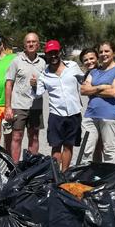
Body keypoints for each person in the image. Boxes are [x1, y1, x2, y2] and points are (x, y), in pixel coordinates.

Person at [34, 40, 84, 171]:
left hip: (74, 113)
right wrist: (33, 85)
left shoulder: (72, 66)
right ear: (46, 55)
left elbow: (84, 81)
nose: (53, 56)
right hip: (56, 114)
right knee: (56, 146)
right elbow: (38, 94)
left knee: (69, 146)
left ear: (60, 52)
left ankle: (65, 174)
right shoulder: (44, 74)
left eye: (55, 52)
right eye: (50, 54)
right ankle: (55, 176)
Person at [79, 47, 115, 163]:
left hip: (108, 114)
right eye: (85, 60)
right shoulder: (92, 72)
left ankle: (110, 177)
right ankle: (92, 174)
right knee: (89, 149)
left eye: (92, 58)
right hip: (92, 114)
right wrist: (101, 87)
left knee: (107, 149)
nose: (89, 62)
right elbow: (83, 91)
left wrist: (92, 90)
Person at [4, 32, 46, 163]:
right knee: (17, 137)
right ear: (24, 45)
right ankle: (15, 168)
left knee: (34, 137)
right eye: (28, 42)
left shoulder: (43, 63)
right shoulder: (16, 61)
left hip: (36, 106)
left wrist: (37, 84)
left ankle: (31, 166)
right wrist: (8, 107)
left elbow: (45, 85)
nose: (31, 44)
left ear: (38, 45)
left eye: (34, 42)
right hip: (19, 106)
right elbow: (9, 84)